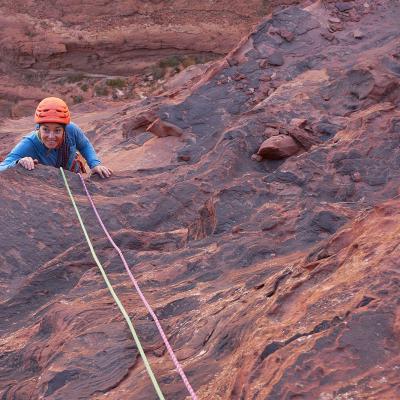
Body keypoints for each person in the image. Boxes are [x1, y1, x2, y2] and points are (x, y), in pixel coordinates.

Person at [0, 97, 112, 178]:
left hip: (73, 176)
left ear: (64, 129)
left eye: (57, 130)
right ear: (38, 128)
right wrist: (18, 162)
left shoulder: (72, 130)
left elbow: (84, 145)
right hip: (49, 184)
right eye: (46, 130)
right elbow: (2, 167)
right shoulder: (29, 143)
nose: (51, 136)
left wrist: (95, 164)